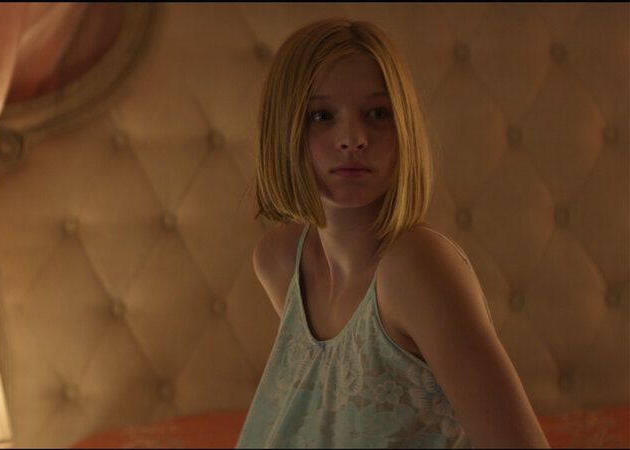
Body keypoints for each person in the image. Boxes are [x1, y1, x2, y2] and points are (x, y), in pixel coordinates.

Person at [236, 18, 550, 449]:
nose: (353, 139)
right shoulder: (280, 259)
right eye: (321, 116)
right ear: (282, 128)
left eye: (378, 114)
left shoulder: (416, 267)